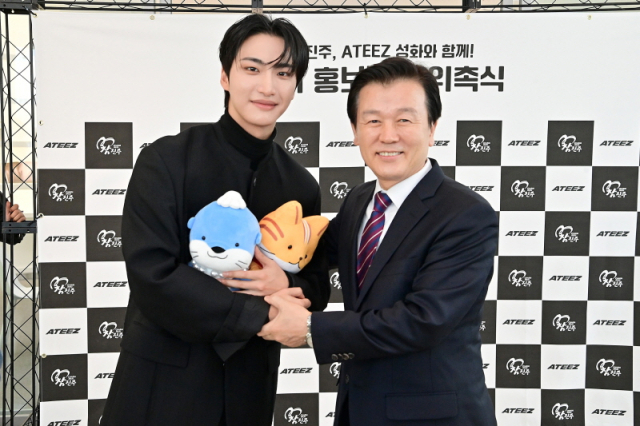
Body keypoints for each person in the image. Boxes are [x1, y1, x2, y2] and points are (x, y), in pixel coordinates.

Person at [101, 14, 329, 426]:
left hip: (250, 387)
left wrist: (285, 283)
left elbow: (316, 285)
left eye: (283, 73)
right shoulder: (167, 160)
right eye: (252, 69)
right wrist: (262, 315)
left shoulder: (301, 185)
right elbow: (152, 274)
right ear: (225, 76)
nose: (267, 86)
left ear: (296, 84)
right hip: (163, 383)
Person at [259, 57, 498, 426]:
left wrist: (309, 328)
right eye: (373, 121)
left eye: (404, 120)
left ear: (432, 128)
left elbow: (423, 320)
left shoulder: (466, 214)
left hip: (431, 418)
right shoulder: (359, 200)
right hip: (359, 410)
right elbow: (313, 254)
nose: (388, 135)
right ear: (355, 131)